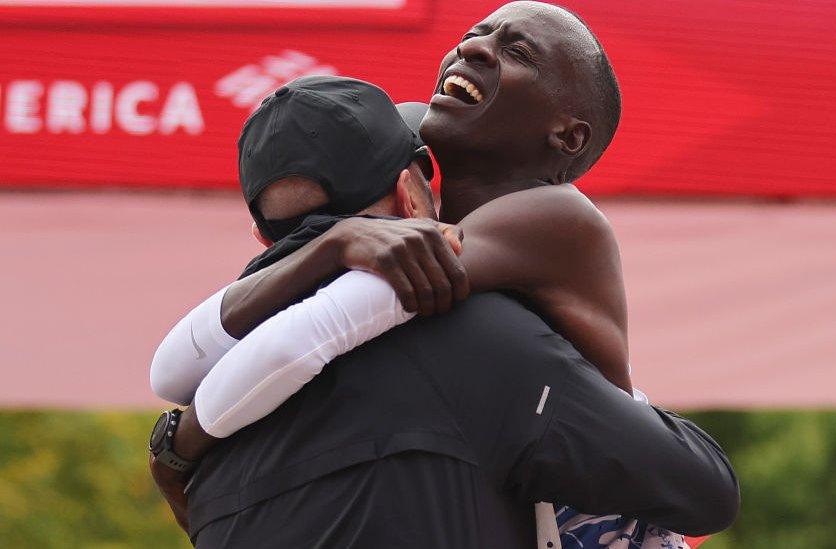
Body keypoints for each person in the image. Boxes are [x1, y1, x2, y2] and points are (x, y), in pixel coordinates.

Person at [149, 3, 739, 546]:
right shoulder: (440, 188)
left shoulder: (553, 214)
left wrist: (186, 442)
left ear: (568, 136)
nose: (475, 50)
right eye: (472, 34)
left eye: (519, 53)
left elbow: (340, 316)